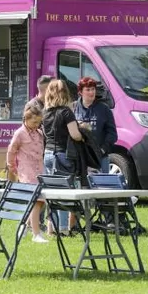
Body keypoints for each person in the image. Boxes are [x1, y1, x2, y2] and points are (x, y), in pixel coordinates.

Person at [42, 79, 83, 236]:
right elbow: (75, 135)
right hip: (62, 154)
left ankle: (52, 227)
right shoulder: (66, 112)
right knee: (64, 192)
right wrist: (83, 132)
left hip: (48, 154)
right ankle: (64, 229)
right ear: (65, 92)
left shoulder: (46, 113)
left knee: (52, 192)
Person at [7, 107, 48, 243]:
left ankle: (24, 225)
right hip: (26, 171)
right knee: (36, 201)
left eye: (39, 122)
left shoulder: (40, 133)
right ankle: (36, 234)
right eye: (34, 122)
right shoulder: (20, 134)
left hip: (39, 170)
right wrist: (11, 166)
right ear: (26, 119)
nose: (37, 125)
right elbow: (11, 150)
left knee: (39, 202)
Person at [73, 76, 117, 173]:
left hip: (100, 158)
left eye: (93, 89)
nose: (91, 92)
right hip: (79, 158)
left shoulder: (104, 109)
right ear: (80, 92)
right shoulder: (73, 108)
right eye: (88, 90)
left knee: (101, 187)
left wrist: (102, 150)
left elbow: (112, 134)